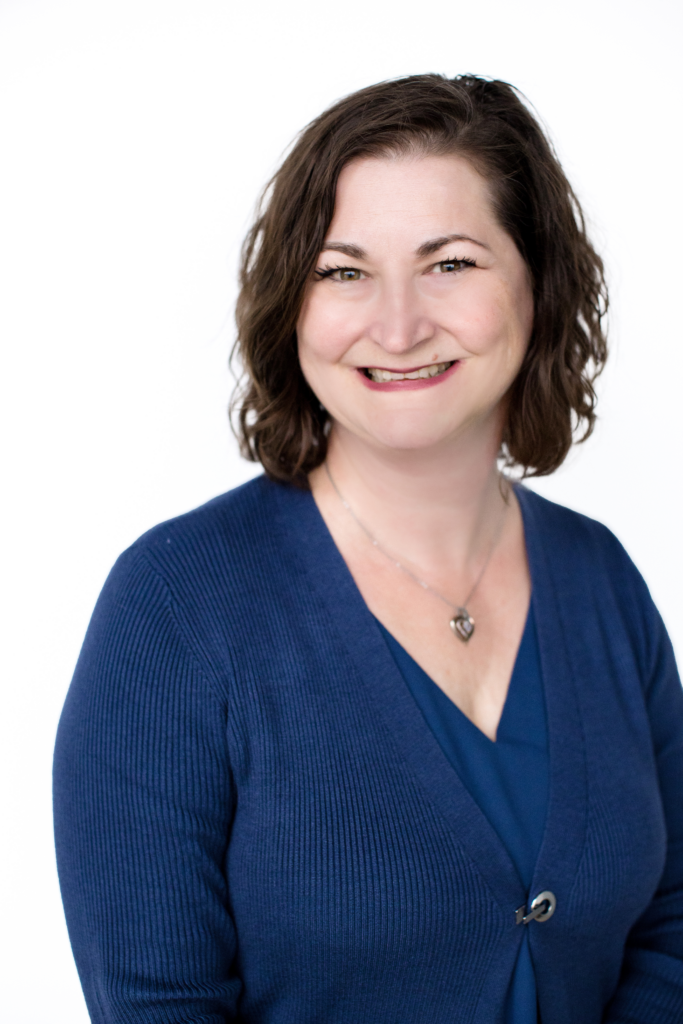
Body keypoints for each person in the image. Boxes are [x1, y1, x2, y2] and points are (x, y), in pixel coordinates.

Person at [53, 75, 683, 1023]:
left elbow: (672, 923)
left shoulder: (601, 581)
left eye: (451, 263)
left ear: (537, 283)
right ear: (293, 306)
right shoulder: (179, 603)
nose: (396, 326)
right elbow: (158, 1003)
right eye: (342, 270)